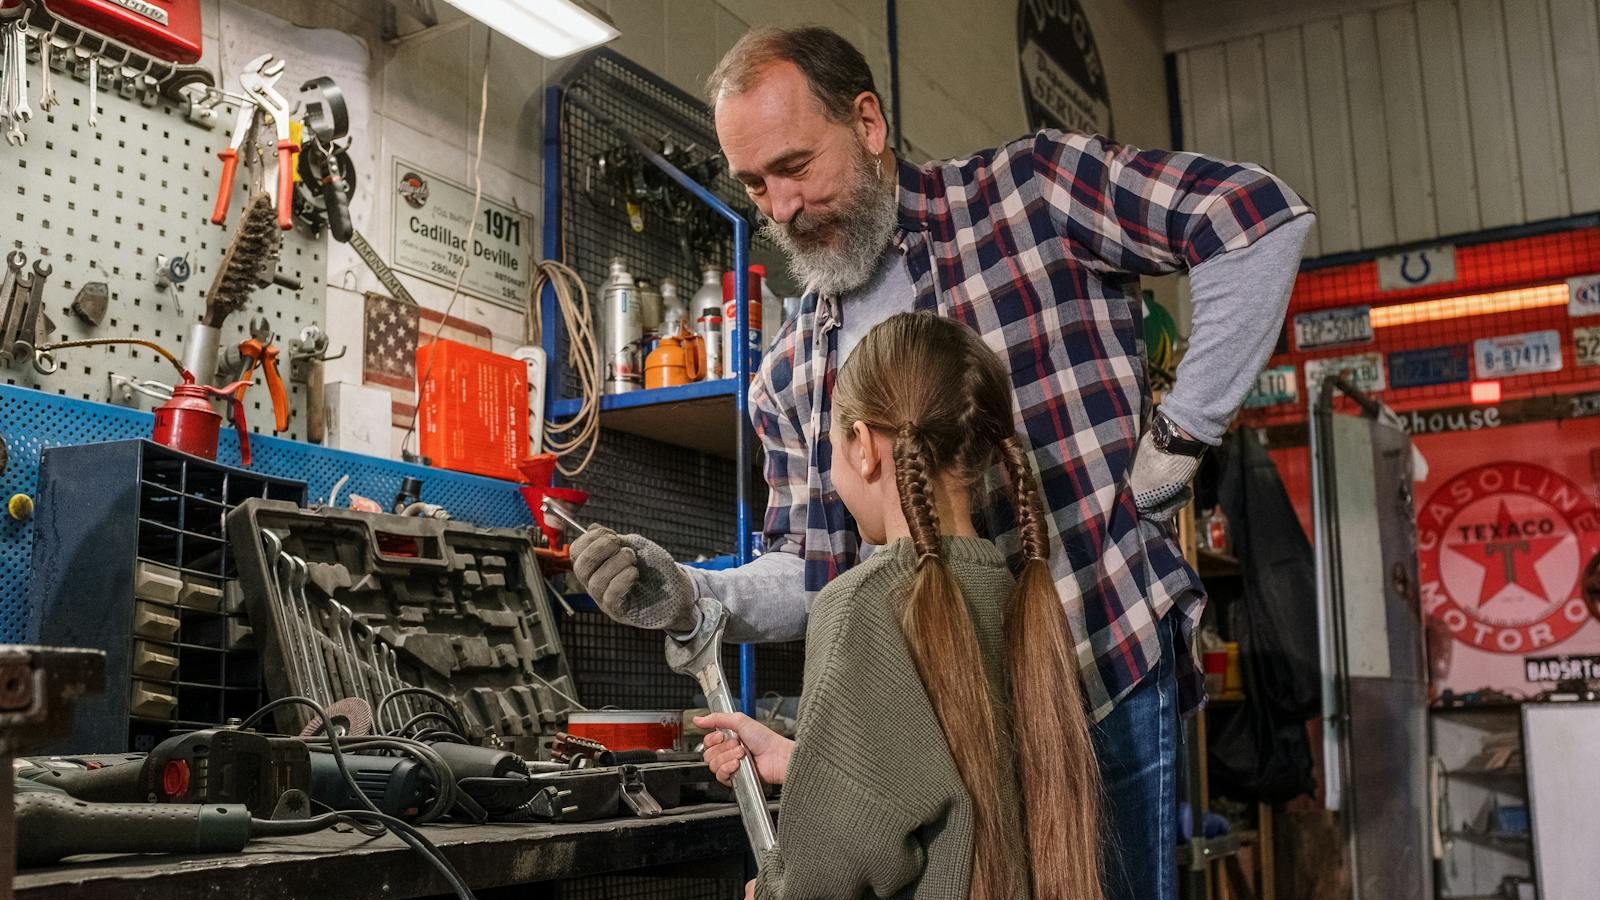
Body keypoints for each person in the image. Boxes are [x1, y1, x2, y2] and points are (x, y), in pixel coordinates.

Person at [570, 25, 1315, 900]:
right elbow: (815, 572)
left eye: (797, 166)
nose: (778, 207)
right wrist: (700, 597)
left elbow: (1255, 220)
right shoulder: (790, 370)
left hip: (1094, 671)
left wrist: (1178, 440)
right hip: (949, 726)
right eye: (753, 183)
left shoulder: (1030, 195)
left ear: (870, 123)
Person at [702, 311, 1101, 900]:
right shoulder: (1020, 596)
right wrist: (810, 761)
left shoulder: (860, 606)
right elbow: (950, 778)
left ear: (864, 447)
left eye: (834, 446)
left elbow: (826, 873)